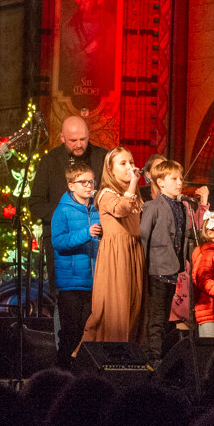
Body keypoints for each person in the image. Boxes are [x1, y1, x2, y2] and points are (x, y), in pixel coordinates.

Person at [30, 115, 108, 296]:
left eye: (83, 139)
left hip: (95, 237)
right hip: (62, 239)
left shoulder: (102, 157)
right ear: (62, 138)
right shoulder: (49, 161)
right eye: (73, 140)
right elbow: (36, 203)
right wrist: (66, 216)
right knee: (64, 295)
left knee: (96, 293)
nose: (79, 144)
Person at [78, 146, 145, 349]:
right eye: (123, 163)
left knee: (133, 307)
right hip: (117, 254)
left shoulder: (132, 193)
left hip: (133, 251)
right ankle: (97, 353)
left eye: (131, 162)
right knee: (116, 308)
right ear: (110, 170)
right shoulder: (106, 194)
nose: (129, 167)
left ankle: (128, 353)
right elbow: (121, 209)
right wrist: (133, 183)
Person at [49, 161, 101, 369]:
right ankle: (62, 372)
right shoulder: (62, 211)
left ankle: (81, 373)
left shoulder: (97, 209)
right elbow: (58, 241)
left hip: (94, 281)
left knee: (86, 331)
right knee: (70, 332)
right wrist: (86, 233)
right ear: (71, 186)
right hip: (71, 282)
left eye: (91, 182)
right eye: (83, 182)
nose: (89, 186)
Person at [141, 158, 191, 363]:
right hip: (156, 270)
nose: (179, 183)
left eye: (180, 179)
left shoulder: (182, 207)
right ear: (160, 182)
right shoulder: (152, 206)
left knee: (165, 318)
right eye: (174, 179)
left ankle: (160, 356)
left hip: (173, 269)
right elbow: (143, 237)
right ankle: (153, 358)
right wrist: (142, 268)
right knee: (156, 316)